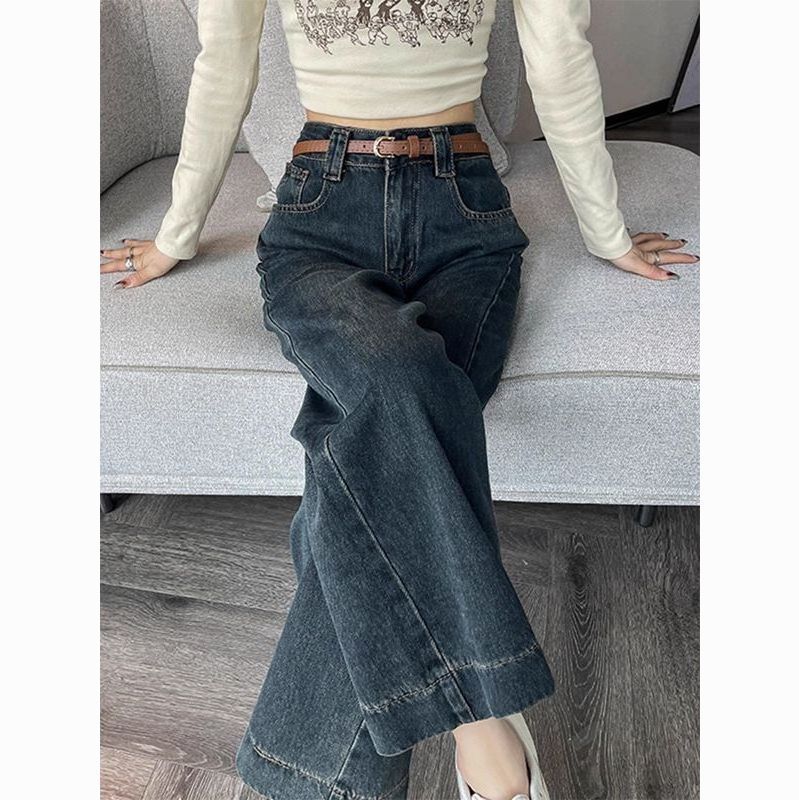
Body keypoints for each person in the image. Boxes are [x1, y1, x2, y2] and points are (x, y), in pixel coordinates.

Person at [100, 2, 698, 798]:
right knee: (402, 380)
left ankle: (321, 779)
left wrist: (606, 230)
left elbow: (560, 53)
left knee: (366, 445)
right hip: (319, 215)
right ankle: (485, 724)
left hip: (467, 217)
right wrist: (177, 233)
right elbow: (224, 65)